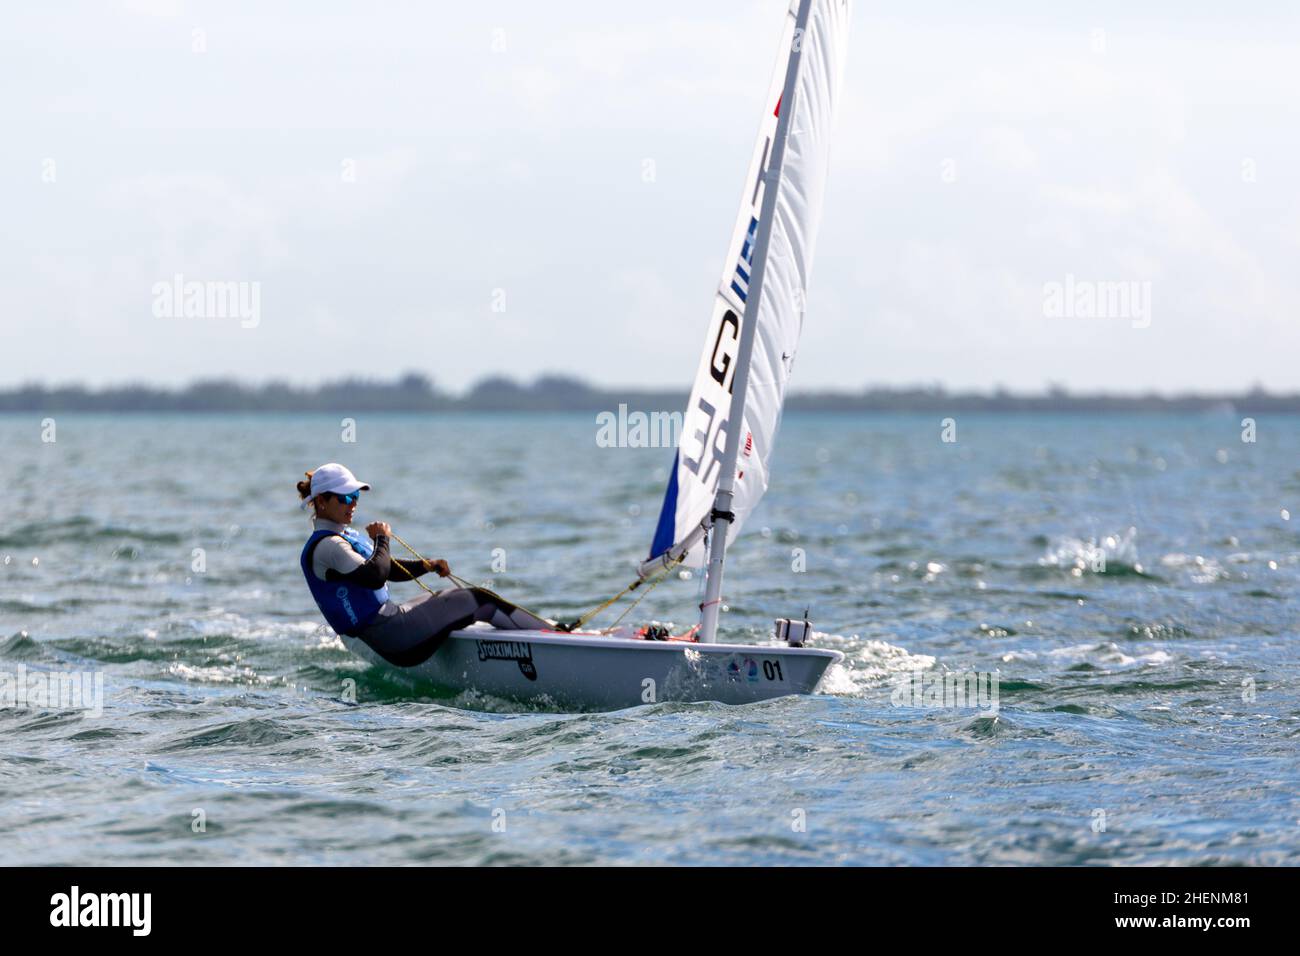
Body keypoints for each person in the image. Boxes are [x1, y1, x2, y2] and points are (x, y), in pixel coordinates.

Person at [297, 462, 550, 666]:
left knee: (446, 596)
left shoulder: (340, 537)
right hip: (395, 637)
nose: (353, 503)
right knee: (480, 599)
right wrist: (382, 538)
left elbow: (387, 569)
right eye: (345, 498)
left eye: (355, 496)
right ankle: (555, 636)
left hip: (386, 631)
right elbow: (375, 575)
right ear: (321, 501)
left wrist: (425, 565)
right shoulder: (329, 546)